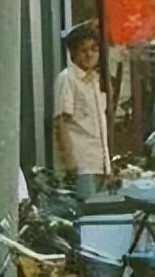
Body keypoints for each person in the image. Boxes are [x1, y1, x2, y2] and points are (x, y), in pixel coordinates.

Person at [53, 22, 111, 199]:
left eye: (94, 49)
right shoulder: (67, 78)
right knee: (87, 217)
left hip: (100, 164)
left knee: (100, 217)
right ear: (73, 53)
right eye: (83, 50)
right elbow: (60, 122)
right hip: (81, 165)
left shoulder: (95, 80)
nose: (90, 54)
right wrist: (70, 162)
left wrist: (107, 165)